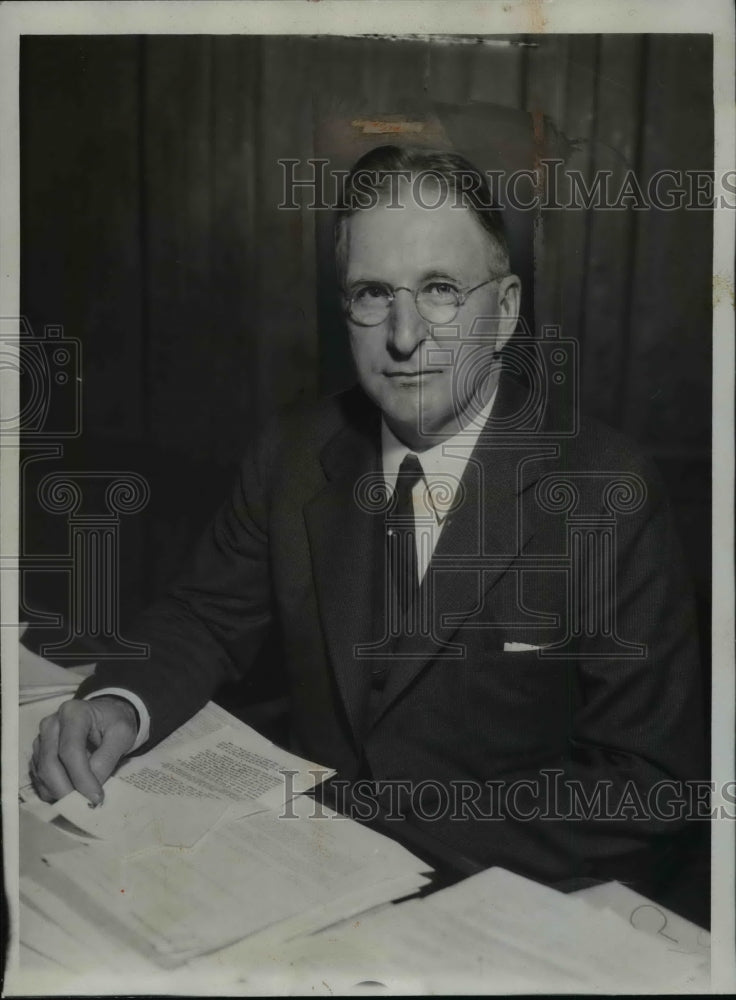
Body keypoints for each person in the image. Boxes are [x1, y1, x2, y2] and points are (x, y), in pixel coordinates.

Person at [30, 144, 705, 894]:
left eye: (441, 289)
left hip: (504, 905)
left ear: (507, 309)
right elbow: (205, 616)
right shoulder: (292, 454)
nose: (405, 335)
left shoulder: (606, 487)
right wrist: (120, 703)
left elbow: (649, 785)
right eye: (374, 293)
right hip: (295, 887)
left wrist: (374, 842)